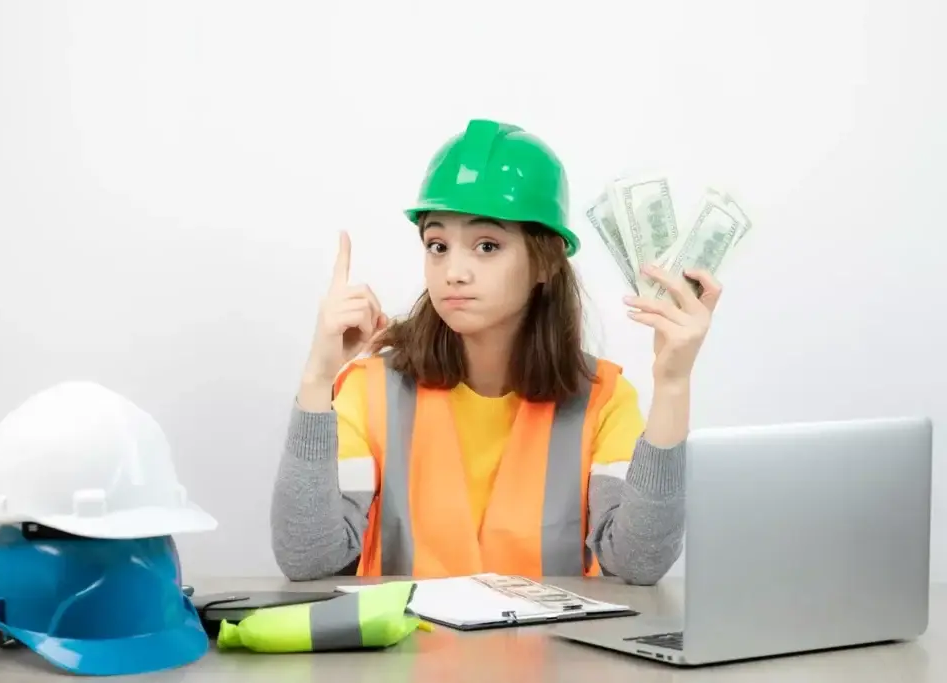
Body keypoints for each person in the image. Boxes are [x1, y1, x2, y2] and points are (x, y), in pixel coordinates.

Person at [270, 119, 722, 584]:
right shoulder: (368, 392)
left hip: (555, 656)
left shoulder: (603, 400)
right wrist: (317, 378)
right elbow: (309, 560)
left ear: (545, 261)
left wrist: (673, 384)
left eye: (487, 245)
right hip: (406, 656)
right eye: (438, 245)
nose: (454, 272)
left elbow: (638, 563)